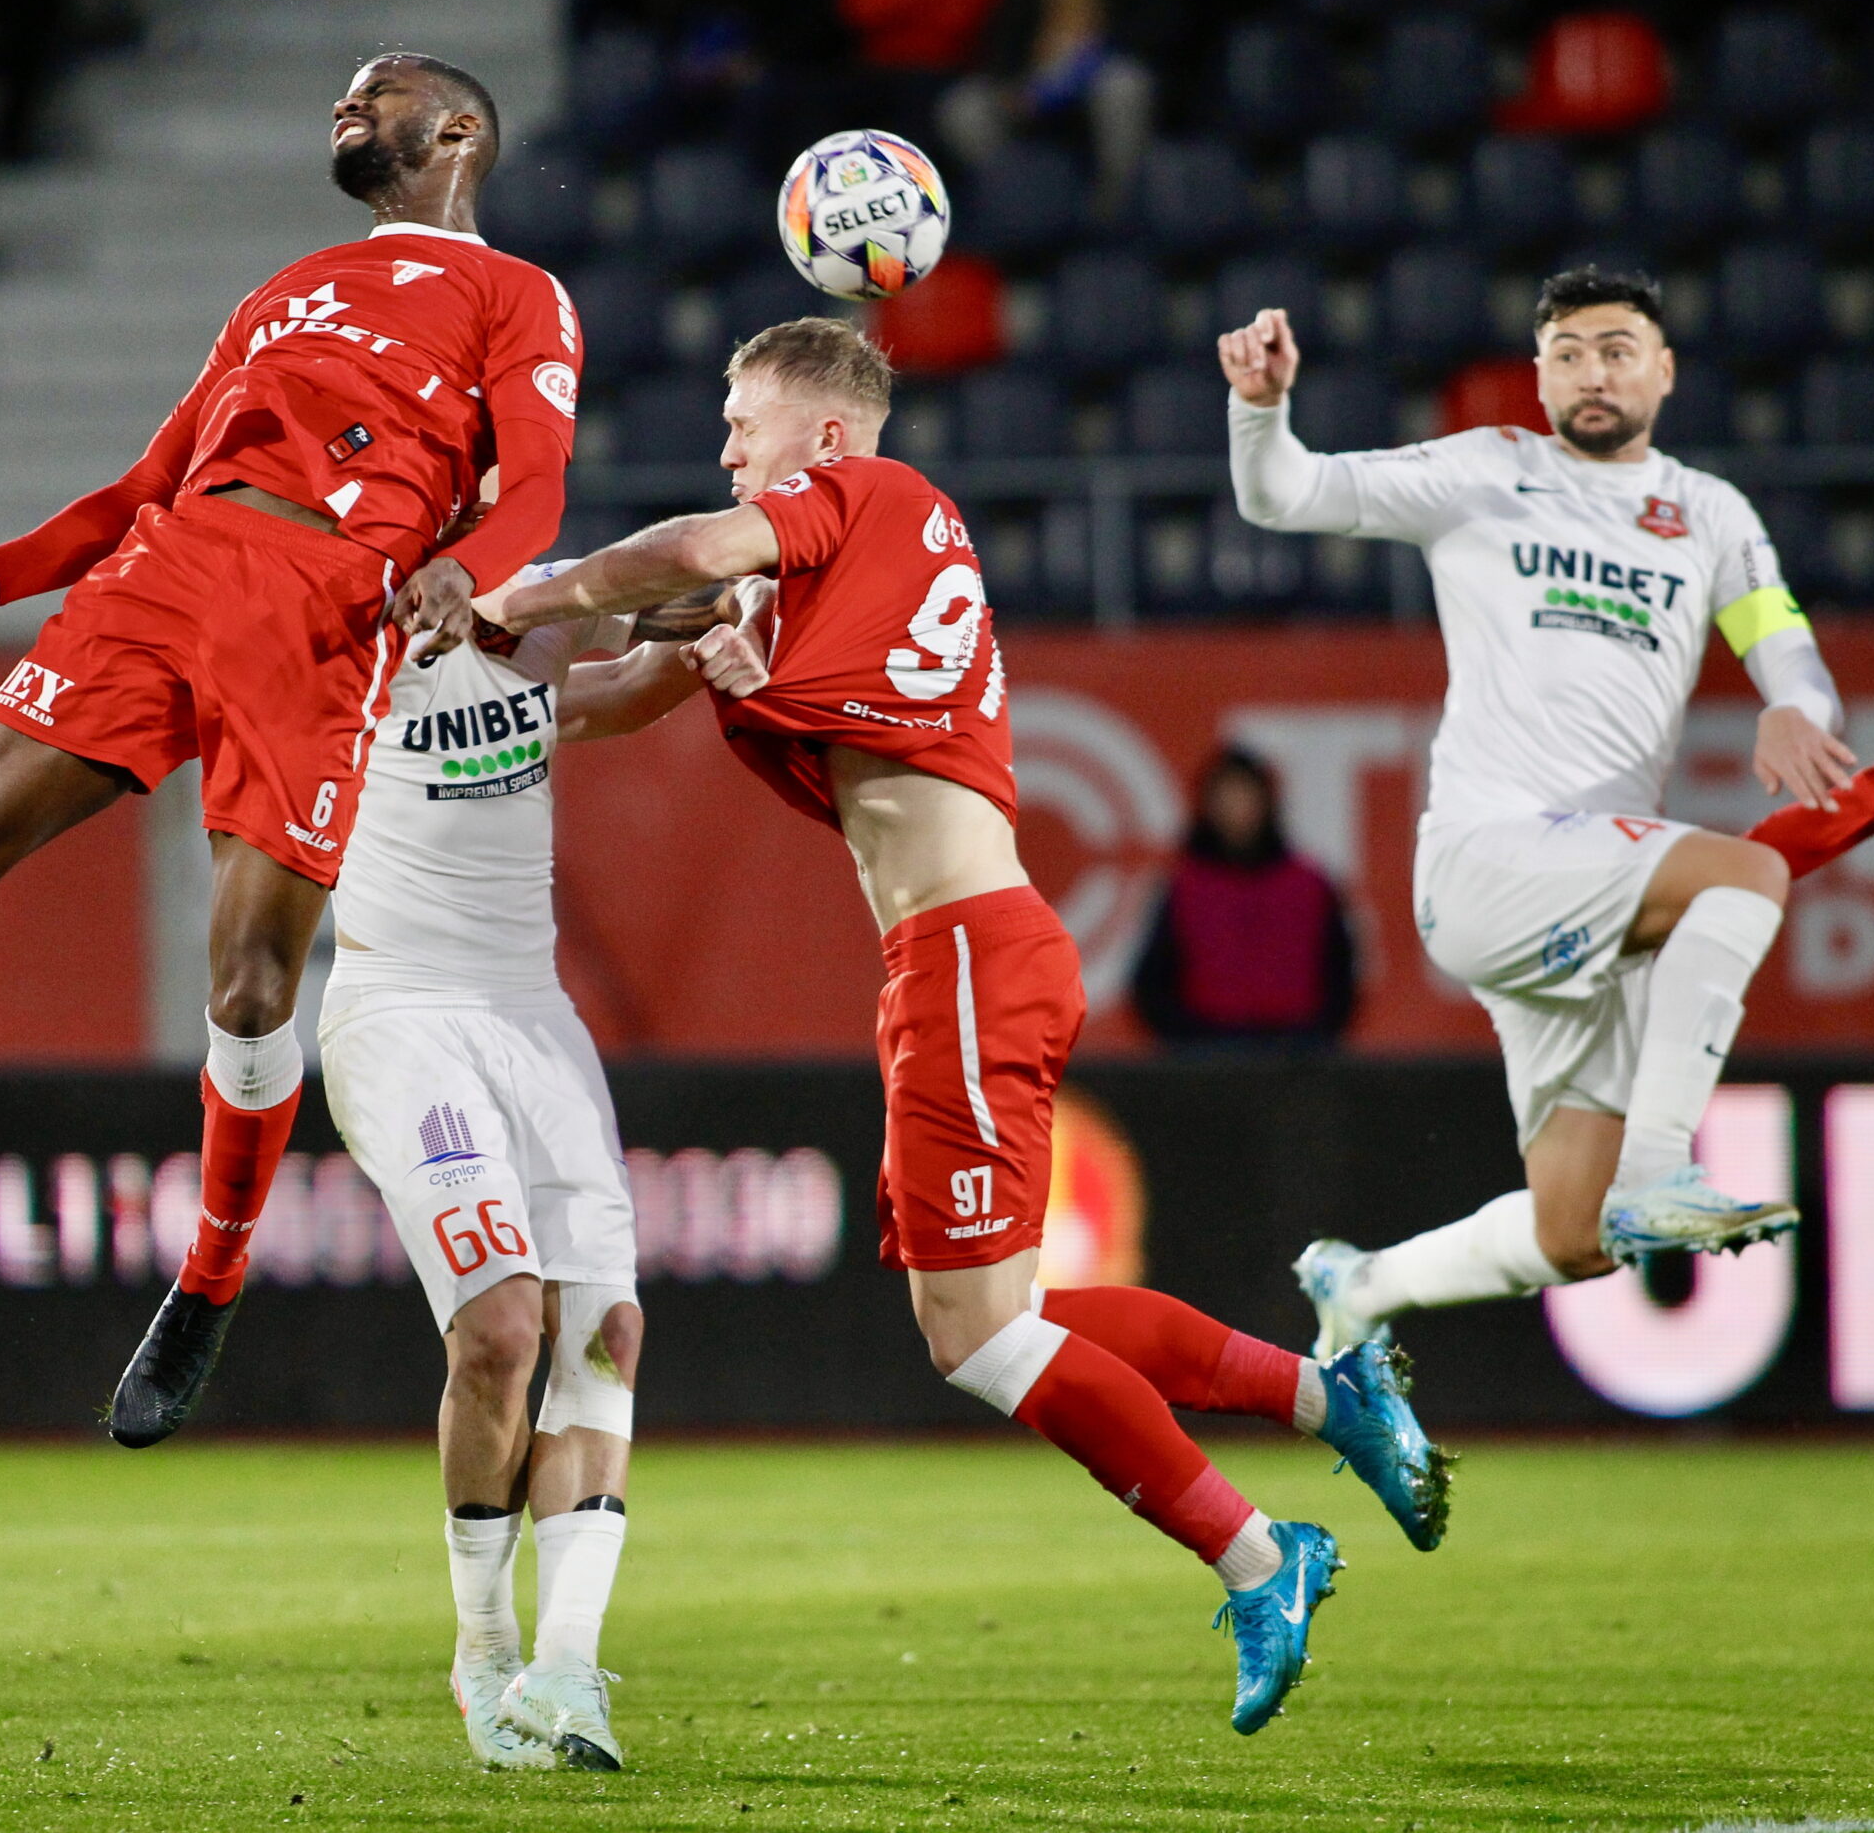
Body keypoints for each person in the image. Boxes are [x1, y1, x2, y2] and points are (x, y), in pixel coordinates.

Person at [490, 317, 1451, 1736]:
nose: (726, 446)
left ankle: (1262, 1554)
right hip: (954, 955)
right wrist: (454, 697)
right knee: (1006, 1323)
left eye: (742, 421)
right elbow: (628, 687)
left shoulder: (874, 498)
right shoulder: (817, 576)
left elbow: (688, 553)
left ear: (825, 434)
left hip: (965, 952)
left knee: (985, 1344)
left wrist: (523, 593)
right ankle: (1328, 1398)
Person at [0, 54, 587, 1445]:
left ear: (453, 130)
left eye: (373, 93)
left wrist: (468, 569)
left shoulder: (518, 295)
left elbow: (541, 488)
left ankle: (207, 1282)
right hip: (167, 568)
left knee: (256, 983)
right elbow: (148, 482)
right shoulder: (282, 288)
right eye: (337, 89)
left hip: (331, 607)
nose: (342, 103)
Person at [1216, 265, 1865, 1358]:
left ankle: (1364, 1283)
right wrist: (1260, 407)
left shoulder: (1709, 515)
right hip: (1488, 856)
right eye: (1566, 353)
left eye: (1615, 349)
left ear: (1663, 369)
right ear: (1538, 375)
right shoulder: (1484, 473)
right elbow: (1284, 495)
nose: (1591, 372)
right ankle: (1664, 1171)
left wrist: (1791, 712)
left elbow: (1783, 646)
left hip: (1587, 900)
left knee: (1575, 1239)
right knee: (1743, 874)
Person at [316, 546, 768, 1772]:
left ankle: (567, 1672)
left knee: (606, 1334)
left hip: (531, 1013)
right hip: (399, 1015)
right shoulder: (359, 628)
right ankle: (482, 1644)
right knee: (503, 1326)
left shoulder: (549, 605)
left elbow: (622, 683)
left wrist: (726, 618)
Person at [1131, 746, 1356, 1048]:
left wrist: (1317, 1037)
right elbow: (1151, 982)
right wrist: (1188, 1043)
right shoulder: (1184, 886)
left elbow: (1341, 972)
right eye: (1226, 797)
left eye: (1246, 795)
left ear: (1267, 803)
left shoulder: (1310, 884)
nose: (1237, 809)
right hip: (1209, 1057)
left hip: (1297, 1054)